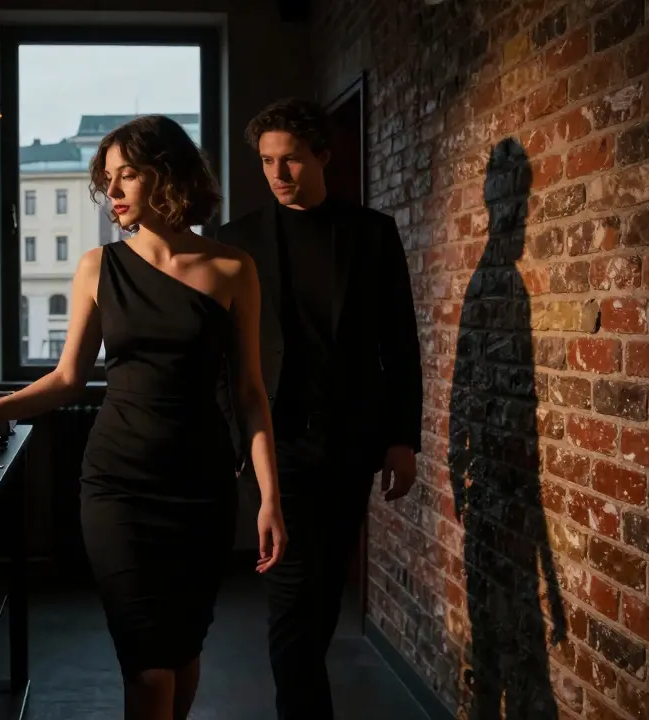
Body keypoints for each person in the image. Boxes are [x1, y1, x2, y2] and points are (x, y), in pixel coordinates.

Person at [0, 114, 287, 720]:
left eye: (126, 176)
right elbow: (67, 381)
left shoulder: (231, 269)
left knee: (183, 647)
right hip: (118, 487)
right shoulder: (99, 266)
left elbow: (250, 393)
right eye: (107, 178)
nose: (111, 191)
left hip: (201, 490)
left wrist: (269, 496)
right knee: (147, 667)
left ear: (165, 175)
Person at [214, 97, 423, 719]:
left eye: (292, 161)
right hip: (274, 444)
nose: (278, 174)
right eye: (267, 162)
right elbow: (225, 357)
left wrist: (401, 438)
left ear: (323, 157)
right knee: (291, 602)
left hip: (349, 443)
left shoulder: (371, 234)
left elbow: (400, 342)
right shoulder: (238, 239)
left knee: (323, 596)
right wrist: (236, 438)